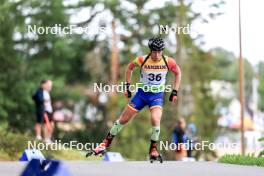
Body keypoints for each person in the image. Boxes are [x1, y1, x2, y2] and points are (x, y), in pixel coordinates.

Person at [87, 37, 182, 161]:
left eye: (160, 51)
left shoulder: (168, 61)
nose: (157, 54)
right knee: (123, 120)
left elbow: (178, 73)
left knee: (155, 119)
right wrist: (127, 86)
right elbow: (129, 68)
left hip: (156, 96)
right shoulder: (142, 59)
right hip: (141, 95)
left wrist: (175, 91)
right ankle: (103, 145)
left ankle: (153, 150)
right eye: (154, 51)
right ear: (150, 50)